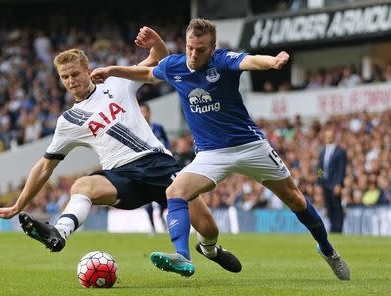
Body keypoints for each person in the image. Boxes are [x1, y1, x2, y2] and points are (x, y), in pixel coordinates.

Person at [91, 18, 350, 280]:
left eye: (201, 49)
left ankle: (328, 251)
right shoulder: (175, 65)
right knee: (175, 191)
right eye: (190, 47)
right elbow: (148, 74)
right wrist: (112, 70)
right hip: (211, 154)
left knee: (294, 199)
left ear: (212, 48)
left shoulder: (223, 60)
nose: (193, 54)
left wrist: (271, 62)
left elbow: (249, 61)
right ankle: (182, 256)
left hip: (250, 146)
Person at [0, 26, 241, 277]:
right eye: (65, 78)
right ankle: (59, 233)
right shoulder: (68, 121)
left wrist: (156, 41)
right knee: (81, 187)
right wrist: (18, 204)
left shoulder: (118, 82)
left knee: (208, 228)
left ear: (88, 70)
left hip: (158, 164)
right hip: (123, 175)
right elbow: (45, 166)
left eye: (75, 74)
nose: (71, 81)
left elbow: (160, 60)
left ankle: (209, 250)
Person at [139, 102, 168, 235]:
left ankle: (162, 214)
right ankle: (152, 227)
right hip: (145, 167)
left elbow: (166, 142)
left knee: (167, 194)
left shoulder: (158, 128)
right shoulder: (136, 129)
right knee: (147, 198)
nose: (143, 115)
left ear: (149, 113)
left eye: (145, 112)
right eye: (141, 112)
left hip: (160, 165)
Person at [317, 129, 347, 233]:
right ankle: (332, 228)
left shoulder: (340, 151)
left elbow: (341, 169)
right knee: (329, 207)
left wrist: (339, 184)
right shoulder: (322, 151)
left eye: (330, 136)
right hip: (325, 183)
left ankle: (339, 228)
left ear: (333, 137)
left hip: (334, 184)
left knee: (337, 206)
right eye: (327, 136)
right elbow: (320, 168)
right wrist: (319, 182)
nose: (328, 138)